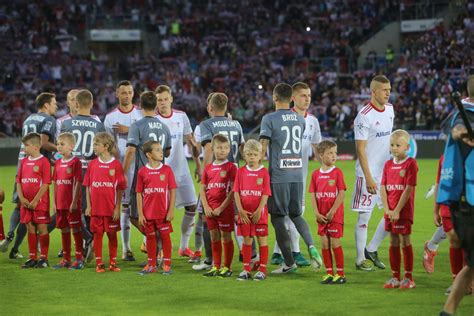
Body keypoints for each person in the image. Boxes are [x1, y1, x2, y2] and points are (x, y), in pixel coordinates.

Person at [259, 83, 322, 274]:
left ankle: (289, 263)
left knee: (278, 217)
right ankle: (310, 245)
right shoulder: (300, 120)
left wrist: (255, 167)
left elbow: (263, 148)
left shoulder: (269, 118)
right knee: (296, 214)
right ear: (291, 98)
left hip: (279, 175)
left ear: (275, 97)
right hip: (297, 174)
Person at [0, 93, 57, 259]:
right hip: (37, 167)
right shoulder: (49, 120)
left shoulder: (28, 119)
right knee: (32, 211)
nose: (56, 106)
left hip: (22, 163)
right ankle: (20, 246)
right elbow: (44, 143)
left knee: (20, 205)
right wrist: (61, 150)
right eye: (54, 103)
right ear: (46, 105)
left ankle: (11, 237)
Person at [193, 92, 245, 271]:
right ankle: (249, 256)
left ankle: (209, 260)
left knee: (206, 217)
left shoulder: (206, 124)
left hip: (217, 178)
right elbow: (244, 149)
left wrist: (206, 171)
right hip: (236, 176)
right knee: (239, 217)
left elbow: (208, 149)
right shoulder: (235, 124)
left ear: (210, 107)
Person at [352, 75, 395, 271]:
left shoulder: (390, 110)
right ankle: (360, 259)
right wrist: (368, 177)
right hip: (367, 174)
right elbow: (360, 149)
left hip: (386, 174)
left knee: (393, 213)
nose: (388, 93)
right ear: (373, 92)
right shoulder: (364, 115)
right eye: (384, 90)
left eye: (389, 89)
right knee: (365, 217)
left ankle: (372, 248)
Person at [439, 78, 474, 315]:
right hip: (469, 201)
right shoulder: (465, 114)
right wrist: (464, 136)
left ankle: (447, 312)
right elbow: (458, 129)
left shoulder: (460, 111)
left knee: (471, 265)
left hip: (463, 201)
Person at [155, 85, 201, 258]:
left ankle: (183, 247)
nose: (163, 103)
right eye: (160, 100)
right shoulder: (153, 119)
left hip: (181, 170)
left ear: (171, 99)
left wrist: (198, 164)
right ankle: (157, 248)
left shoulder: (181, 116)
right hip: (161, 173)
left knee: (192, 207)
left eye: (166, 99)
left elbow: (190, 140)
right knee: (160, 213)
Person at [61, 89, 106, 262]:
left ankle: (89, 239)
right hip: (90, 172)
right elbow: (101, 153)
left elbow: (63, 151)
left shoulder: (67, 125)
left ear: (77, 104)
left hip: (71, 171)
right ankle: (91, 241)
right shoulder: (99, 126)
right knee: (88, 210)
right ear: (92, 104)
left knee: (70, 210)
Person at [123, 91, 172, 239]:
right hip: (161, 179)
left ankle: (156, 242)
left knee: (134, 216)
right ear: (156, 105)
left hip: (144, 177)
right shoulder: (164, 127)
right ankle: (159, 248)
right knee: (157, 217)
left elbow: (131, 150)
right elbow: (167, 153)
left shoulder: (137, 125)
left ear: (140, 106)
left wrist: (122, 172)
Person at [104, 80, 143, 261]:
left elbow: (148, 138)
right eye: (123, 92)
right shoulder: (110, 118)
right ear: (117, 94)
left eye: (129, 92)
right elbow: (108, 144)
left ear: (133, 93)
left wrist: (129, 130)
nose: (126, 95)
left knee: (147, 207)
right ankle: (126, 249)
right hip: (122, 169)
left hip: (142, 167)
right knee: (125, 208)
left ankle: (147, 242)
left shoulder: (141, 114)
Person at [84, 132, 127, 273]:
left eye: (97, 144)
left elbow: (120, 188)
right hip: (96, 208)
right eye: (94, 144)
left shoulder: (116, 165)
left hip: (110, 209)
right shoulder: (92, 165)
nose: (94, 147)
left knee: (112, 235)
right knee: (97, 235)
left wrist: (117, 208)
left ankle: (113, 263)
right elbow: (88, 186)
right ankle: (99, 263)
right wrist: (89, 206)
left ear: (106, 146)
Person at [381, 130, 418, 289]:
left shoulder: (411, 164)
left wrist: (396, 210)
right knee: (393, 240)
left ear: (407, 147)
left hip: (403, 211)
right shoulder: (388, 164)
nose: (394, 148)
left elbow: (408, 189)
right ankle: (395, 276)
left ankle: (408, 277)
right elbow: (383, 187)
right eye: (392, 145)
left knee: (405, 240)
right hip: (390, 211)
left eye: (398, 145)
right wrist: (388, 209)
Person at [136, 141, 177, 275]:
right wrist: (141, 214)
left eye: (161, 150)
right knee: (150, 237)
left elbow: (172, 190)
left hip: (163, 213)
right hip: (148, 214)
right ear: (149, 154)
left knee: (165, 237)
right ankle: (152, 264)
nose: (161, 152)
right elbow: (139, 194)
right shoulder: (142, 172)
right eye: (158, 150)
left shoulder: (167, 170)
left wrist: (171, 210)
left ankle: (167, 264)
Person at [309, 140, 347, 285]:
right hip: (321, 216)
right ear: (321, 155)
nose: (334, 156)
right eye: (330, 153)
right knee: (324, 243)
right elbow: (312, 194)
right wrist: (316, 213)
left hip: (334, 215)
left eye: (335, 153)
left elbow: (342, 193)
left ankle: (341, 274)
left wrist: (332, 210)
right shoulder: (315, 174)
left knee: (335, 243)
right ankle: (329, 273)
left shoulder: (337, 173)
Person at [426, 155, 464, 295]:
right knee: (455, 242)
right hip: (448, 207)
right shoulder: (445, 157)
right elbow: (439, 184)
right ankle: (457, 282)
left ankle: (467, 282)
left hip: (467, 206)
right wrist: (436, 209)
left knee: (467, 243)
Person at [233, 139, 271, 281]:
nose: (252, 157)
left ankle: (262, 270)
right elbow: (236, 192)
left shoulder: (264, 173)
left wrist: (259, 210)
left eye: (255, 154)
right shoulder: (240, 172)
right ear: (244, 155)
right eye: (249, 154)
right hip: (244, 214)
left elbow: (266, 193)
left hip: (259, 214)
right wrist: (240, 211)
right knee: (247, 241)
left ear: (261, 155)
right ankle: (246, 269)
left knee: (262, 240)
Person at [200, 134, 237, 278]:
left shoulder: (231, 167)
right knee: (214, 237)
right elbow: (203, 189)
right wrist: (206, 207)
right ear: (213, 149)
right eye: (219, 148)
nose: (223, 150)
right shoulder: (208, 168)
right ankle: (216, 266)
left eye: (226, 148)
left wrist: (221, 208)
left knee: (226, 237)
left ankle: (227, 267)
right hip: (210, 209)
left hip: (224, 209)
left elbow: (233, 191)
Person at [16, 133, 52, 268]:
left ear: (36, 147)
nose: (24, 148)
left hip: (40, 202)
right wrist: (21, 198)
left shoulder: (44, 162)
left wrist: (36, 200)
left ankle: (44, 258)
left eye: (26, 145)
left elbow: (46, 183)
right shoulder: (24, 161)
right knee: (30, 228)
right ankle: (32, 258)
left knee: (42, 228)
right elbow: (18, 181)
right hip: (25, 202)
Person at [52, 133, 84, 270]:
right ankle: (66, 259)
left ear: (71, 146)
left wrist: (74, 201)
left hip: (71, 204)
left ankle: (79, 258)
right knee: (64, 229)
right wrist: (54, 202)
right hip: (60, 204)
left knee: (75, 229)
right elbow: (55, 182)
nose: (59, 146)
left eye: (62, 144)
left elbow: (78, 182)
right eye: (58, 144)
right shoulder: (58, 162)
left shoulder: (75, 162)